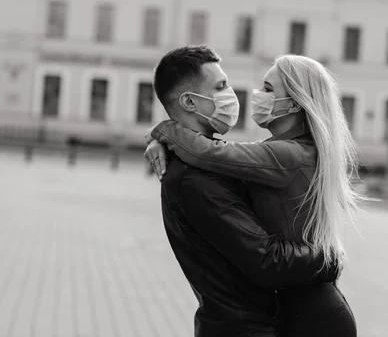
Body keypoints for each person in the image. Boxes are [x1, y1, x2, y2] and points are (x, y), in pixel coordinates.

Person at [145, 54, 363, 337]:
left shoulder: (288, 155)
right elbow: (218, 156)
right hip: (303, 308)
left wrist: (161, 130)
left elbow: (212, 153)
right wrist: (160, 138)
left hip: (314, 315)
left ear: (295, 103)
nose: (257, 95)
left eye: (269, 89)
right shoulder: (280, 151)